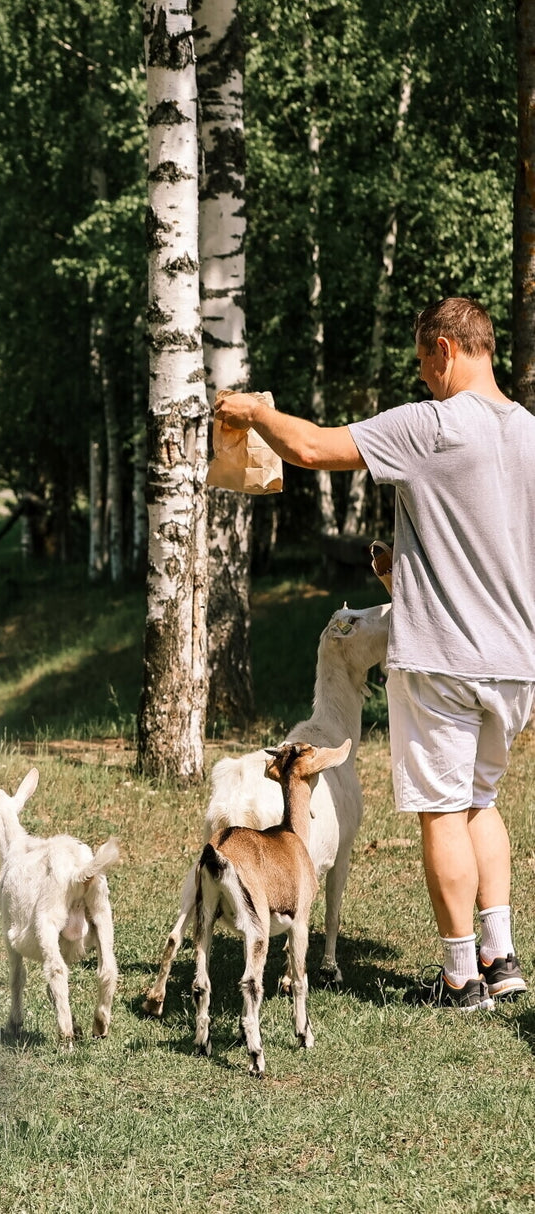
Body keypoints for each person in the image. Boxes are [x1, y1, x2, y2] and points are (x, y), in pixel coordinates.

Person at [216, 297, 535, 1010]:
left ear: (446, 351)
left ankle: (460, 979)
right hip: (515, 658)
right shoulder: (531, 436)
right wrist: (410, 574)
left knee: (443, 810)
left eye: (425, 365)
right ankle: (502, 956)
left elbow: (311, 448)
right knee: (483, 801)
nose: (424, 380)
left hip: (445, 659)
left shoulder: (433, 424)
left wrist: (256, 414)